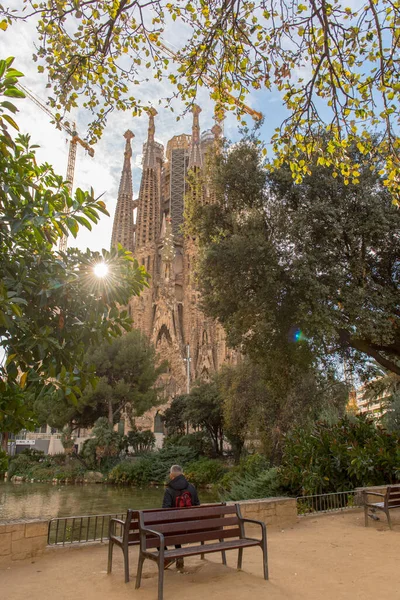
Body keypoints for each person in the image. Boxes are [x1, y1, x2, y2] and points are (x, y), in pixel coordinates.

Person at [162, 464, 200, 570]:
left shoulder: (169, 490)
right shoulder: (191, 487)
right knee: (176, 527)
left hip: (175, 528)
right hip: (191, 528)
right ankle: (179, 555)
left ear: (171, 476)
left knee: (156, 533)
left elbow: (165, 511)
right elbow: (197, 505)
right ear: (182, 474)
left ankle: (167, 557)